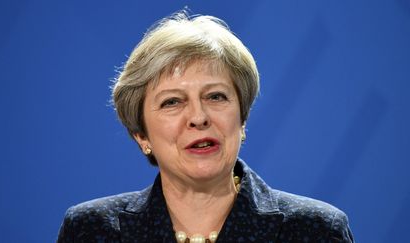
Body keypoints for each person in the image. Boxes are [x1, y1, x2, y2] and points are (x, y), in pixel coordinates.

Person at [57, 11, 354, 243]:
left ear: (242, 119)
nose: (198, 117)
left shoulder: (316, 230)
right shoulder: (91, 230)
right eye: (172, 102)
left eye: (215, 96)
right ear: (141, 134)